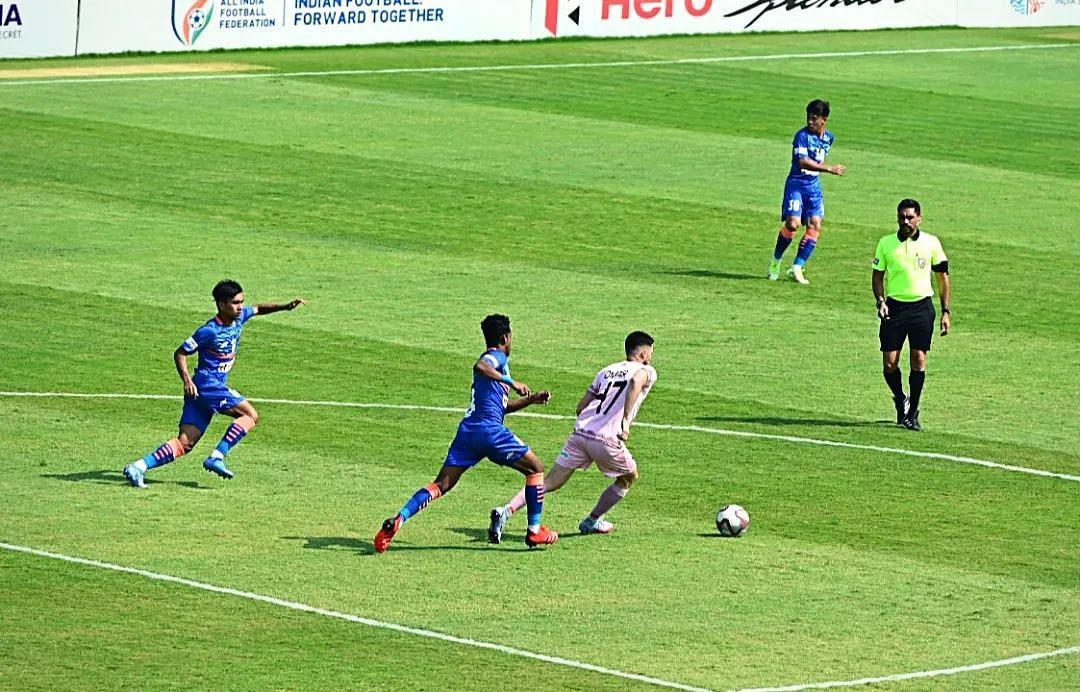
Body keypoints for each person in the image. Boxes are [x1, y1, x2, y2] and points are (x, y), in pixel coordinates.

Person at [373, 314, 559, 553]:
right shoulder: (496, 357)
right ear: (505, 337)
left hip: (468, 432)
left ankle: (398, 520)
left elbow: (501, 407)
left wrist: (530, 400)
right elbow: (481, 366)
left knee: (440, 485)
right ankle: (535, 531)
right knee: (536, 468)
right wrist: (512, 382)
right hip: (489, 431)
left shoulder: (496, 367)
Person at [122, 280, 307, 487]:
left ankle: (138, 467)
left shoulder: (239, 318)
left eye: (241, 302)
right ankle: (217, 456)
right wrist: (186, 380)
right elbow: (181, 352)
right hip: (207, 384)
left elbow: (258, 309)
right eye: (235, 303)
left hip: (202, 393)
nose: (240, 307)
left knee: (185, 443)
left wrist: (285, 306)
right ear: (221, 305)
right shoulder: (209, 331)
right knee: (250, 415)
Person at [488, 331, 657, 542]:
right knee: (628, 477)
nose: (652, 356)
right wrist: (624, 420)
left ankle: (506, 510)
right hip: (607, 440)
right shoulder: (647, 371)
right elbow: (634, 383)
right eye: (651, 352)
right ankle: (593, 520)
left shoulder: (606, 371)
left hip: (580, 434)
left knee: (549, 482)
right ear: (642, 352)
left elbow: (580, 407)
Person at [872, 199, 951, 431]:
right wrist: (881, 301)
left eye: (909, 217)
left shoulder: (931, 243)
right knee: (889, 364)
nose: (905, 221)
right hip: (894, 308)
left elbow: (942, 278)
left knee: (919, 359)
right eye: (901, 217)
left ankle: (912, 413)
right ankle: (900, 399)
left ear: (919, 218)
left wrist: (946, 311)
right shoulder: (886, 244)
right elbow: (877, 276)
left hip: (921, 308)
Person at [768, 99, 846, 284]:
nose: (810, 122)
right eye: (808, 118)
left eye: (814, 118)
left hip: (813, 187)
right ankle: (775, 262)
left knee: (816, 225)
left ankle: (797, 267)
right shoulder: (801, 136)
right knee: (793, 224)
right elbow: (802, 162)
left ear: (824, 120)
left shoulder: (829, 138)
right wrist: (829, 169)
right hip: (796, 184)